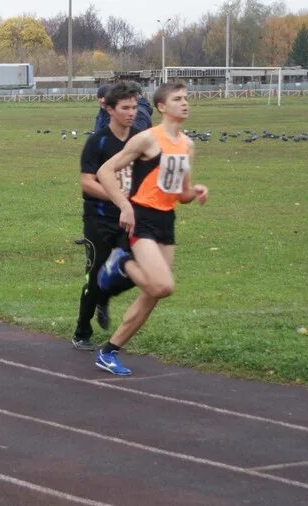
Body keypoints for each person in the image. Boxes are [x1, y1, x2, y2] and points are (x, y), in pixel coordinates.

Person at [94, 81, 209, 376]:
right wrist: (124, 205)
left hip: (166, 220)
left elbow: (179, 194)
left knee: (153, 294)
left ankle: (109, 352)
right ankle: (121, 263)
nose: (185, 103)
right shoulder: (147, 139)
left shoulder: (188, 144)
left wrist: (194, 192)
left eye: (186, 98)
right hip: (141, 217)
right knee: (162, 285)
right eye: (178, 99)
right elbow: (105, 171)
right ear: (161, 106)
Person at [71, 82, 140, 351]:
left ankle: (105, 294)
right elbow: (87, 183)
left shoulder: (139, 139)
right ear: (110, 109)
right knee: (95, 273)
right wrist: (119, 199)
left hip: (132, 218)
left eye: (134, 107)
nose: (131, 112)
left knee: (139, 268)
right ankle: (82, 332)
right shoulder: (97, 141)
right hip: (99, 219)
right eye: (125, 108)